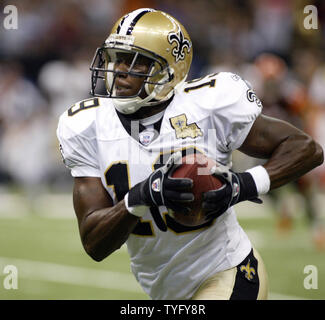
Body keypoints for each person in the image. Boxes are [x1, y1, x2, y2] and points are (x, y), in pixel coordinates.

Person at [56, 8, 323, 300]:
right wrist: (142, 196)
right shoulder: (85, 125)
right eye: (117, 58)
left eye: (136, 62)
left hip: (226, 269)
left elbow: (305, 148)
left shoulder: (207, 105)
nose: (120, 70)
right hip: (165, 290)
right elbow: (95, 243)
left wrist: (241, 185)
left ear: (168, 70)